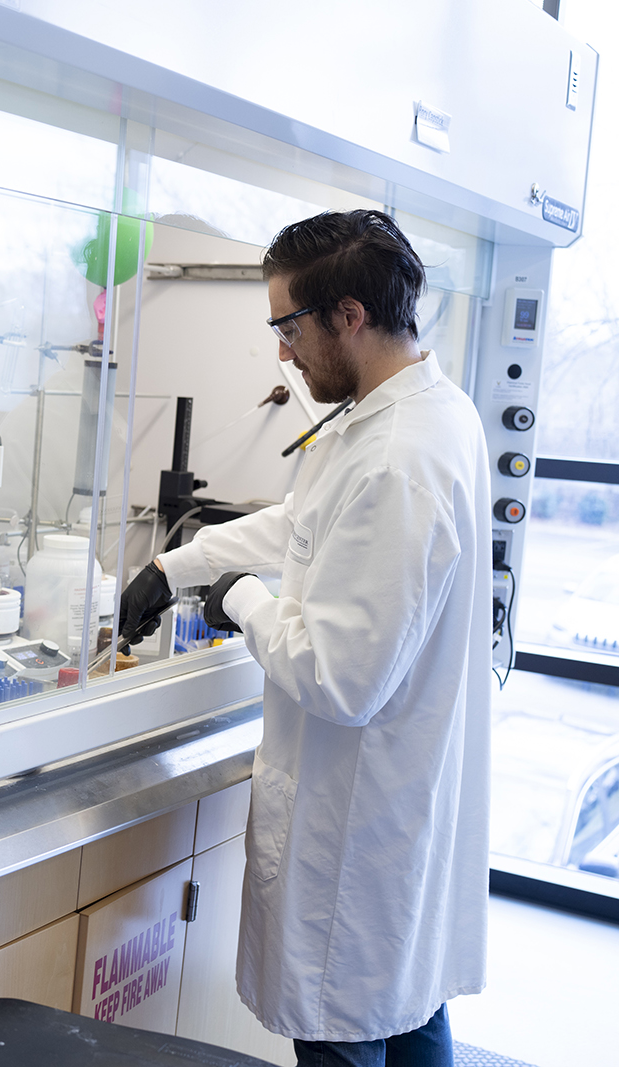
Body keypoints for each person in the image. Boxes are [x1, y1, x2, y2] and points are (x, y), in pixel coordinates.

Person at [119, 210, 490, 1066]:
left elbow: (339, 676)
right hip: (395, 830)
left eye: (290, 326)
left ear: (348, 315)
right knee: (407, 1011)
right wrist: (179, 565)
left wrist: (237, 598)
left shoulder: (399, 453)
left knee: (353, 1030)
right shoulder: (424, 411)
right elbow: (307, 522)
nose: (283, 353)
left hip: (357, 839)